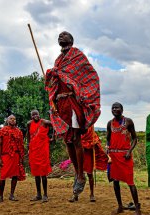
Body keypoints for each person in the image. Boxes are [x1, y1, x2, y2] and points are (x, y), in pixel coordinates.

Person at [45, 31, 100, 199]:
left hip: (73, 103)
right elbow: (54, 82)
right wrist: (51, 76)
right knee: (67, 139)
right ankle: (77, 173)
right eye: (59, 36)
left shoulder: (78, 56)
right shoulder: (58, 60)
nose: (60, 37)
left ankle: (82, 176)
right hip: (61, 104)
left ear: (71, 39)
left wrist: (60, 75)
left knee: (76, 138)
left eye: (64, 35)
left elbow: (91, 77)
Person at [106, 102, 141, 215]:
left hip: (125, 156)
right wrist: (107, 150)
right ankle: (120, 206)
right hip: (114, 156)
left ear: (122, 109)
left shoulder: (129, 122)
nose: (115, 109)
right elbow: (108, 139)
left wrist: (129, 151)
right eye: (113, 108)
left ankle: (137, 209)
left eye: (117, 107)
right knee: (115, 181)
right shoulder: (110, 123)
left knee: (130, 182)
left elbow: (135, 138)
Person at [69, 125, 108, 202]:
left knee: (90, 174)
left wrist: (94, 142)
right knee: (78, 173)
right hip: (79, 154)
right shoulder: (78, 127)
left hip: (88, 153)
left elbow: (96, 141)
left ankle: (92, 194)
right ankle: (75, 195)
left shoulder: (91, 131)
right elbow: (74, 140)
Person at [0, 115, 26, 203]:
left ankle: (12, 195)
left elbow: (21, 145)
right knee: (3, 176)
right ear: (7, 120)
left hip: (16, 155)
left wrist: (21, 157)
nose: (13, 120)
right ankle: (0, 196)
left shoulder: (19, 132)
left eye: (14, 119)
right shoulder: (2, 131)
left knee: (15, 175)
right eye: (11, 119)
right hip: (6, 156)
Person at [26, 109, 53, 202]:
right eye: (33, 115)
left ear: (39, 114)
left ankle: (45, 195)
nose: (35, 116)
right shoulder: (29, 124)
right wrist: (28, 146)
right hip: (33, 151)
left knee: (43, 173)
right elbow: (28, 135)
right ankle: (38, 194)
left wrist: (53, 137)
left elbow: (54, 124)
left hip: (43, 151)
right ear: (31, 117)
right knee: (36, 174)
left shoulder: (44, 122)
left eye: (36, 114)